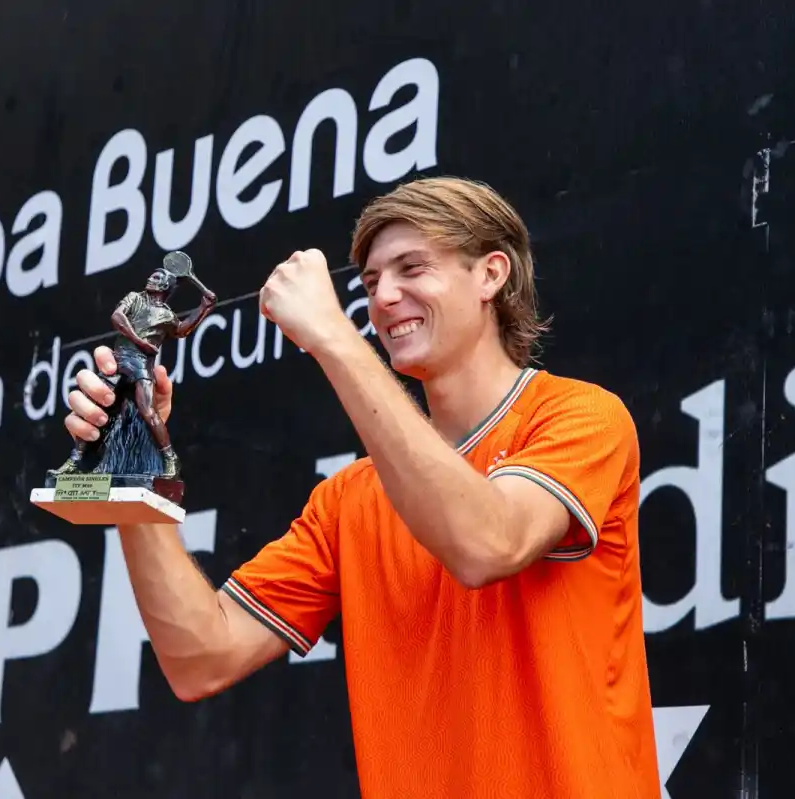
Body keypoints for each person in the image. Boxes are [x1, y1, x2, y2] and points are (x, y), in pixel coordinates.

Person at [63, 176, 661, 798]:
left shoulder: (579, 417)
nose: (384, 297)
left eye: (412, 268)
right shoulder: (350, 498)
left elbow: (487, 543)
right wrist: (134, 465)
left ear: (490, 275)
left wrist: (332, 336)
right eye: (371, 283)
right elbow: (199, 658)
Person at [52, 263, 216, 480]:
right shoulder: (134, 298)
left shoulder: (167, 315)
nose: (150, 279)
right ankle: (76, 461)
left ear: (166, 286)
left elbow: (181, 329)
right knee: (95, 407)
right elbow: (117, 317)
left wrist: (203, 308)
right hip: (119, 362)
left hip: (140, 367)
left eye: (157, 278)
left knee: (148, 413)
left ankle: (169, 459)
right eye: (152, 275)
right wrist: (140, 341)